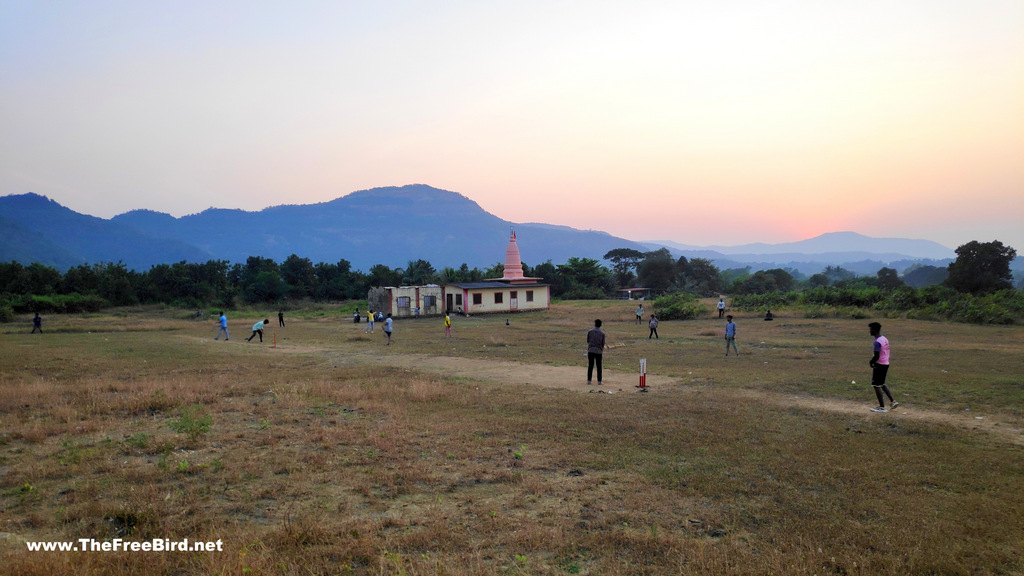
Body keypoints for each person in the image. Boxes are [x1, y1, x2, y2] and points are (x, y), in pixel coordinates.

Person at [868, 322, 899, 413]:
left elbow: (876, 356)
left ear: (874, 330)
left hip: (879, 364)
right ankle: (893, 401)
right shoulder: (884, 339)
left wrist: (871, 362)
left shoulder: (877, 342)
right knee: (882, 383)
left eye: (870, 329)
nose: (869, 331)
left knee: (876, 385)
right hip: (886, 363)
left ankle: (881, 407)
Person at [586, 319, 606, 385]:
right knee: (599, 366)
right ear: (600, 325)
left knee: (590, 366)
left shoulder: (590, 332)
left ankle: (589, 380)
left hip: (591, 350)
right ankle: (599, 381)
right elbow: (603, 343)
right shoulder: (602, 333)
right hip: (598, 351)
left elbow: (588, 341)